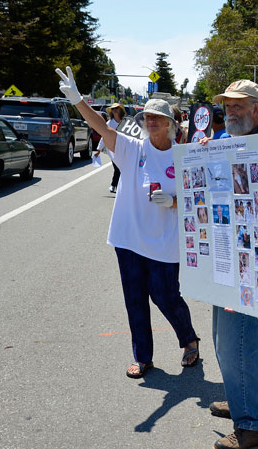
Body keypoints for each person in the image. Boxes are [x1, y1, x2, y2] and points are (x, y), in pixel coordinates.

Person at [55, 67, 200, 379]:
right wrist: (78, 100)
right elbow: (100, 126)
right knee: (135, 299)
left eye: (157, 118)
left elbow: (200, 199)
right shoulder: (132, 149)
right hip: (129, 239)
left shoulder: (183, 156)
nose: (150, 121)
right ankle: (143, 357)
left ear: (171, 125)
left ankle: (189, 340)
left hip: (163, 242)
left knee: (165, 296)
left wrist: (173, 201)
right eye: (147, 117)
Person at [200, 80, 258, 449]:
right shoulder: (236, 142)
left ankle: (252, 424)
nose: (229, 112)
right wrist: (205, 156)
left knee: (238, 342)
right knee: (223, 339)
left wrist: (215, 158)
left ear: (256, 109)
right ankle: (239, 399)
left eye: (238, 106)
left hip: (246, 263)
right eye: (227, 106)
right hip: (228, 257)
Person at [95, 102, 126, 193]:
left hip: (125, 149)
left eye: (116, 108)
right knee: (117, 168)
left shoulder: (125, 122)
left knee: (123, 168)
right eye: (113, 109)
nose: (115, 110)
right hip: (113, 150)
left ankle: (121, 186)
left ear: (121, 110)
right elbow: (104, 136)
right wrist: (98, 149)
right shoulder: (109, 123)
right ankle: (113, 185)